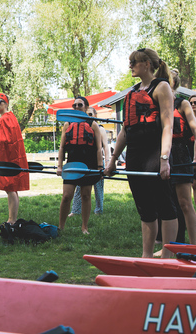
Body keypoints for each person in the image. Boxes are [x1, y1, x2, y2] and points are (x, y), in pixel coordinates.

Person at [105, 49, 178, 259]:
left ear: (146, 64)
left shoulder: (161, 86)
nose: (130, 66)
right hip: (135, 155)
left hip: (156, 152)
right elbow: (125, 131)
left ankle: (167, 256)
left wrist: (164, 159)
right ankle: (146, 256)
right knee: (144, 207)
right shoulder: (132, 92)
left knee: (165, 205)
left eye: (133, 62)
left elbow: (167, 126)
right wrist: (112, 161)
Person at [169, 71, 196, 245]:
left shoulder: (182, 104)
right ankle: (171, 245)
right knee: (168, 204)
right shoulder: (156, 104)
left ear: (174, 84)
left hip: (179, 154)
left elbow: (195, 130)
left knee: (184, 202)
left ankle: (194, 246)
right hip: (162, 155)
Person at [57, 97, 104, 234]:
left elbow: (98, 148)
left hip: (88, 164)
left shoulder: (92, 124)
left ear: (86, 107)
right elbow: (61, 148)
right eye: (74, 105)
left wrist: (100, 167)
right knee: (66, 196)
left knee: (86, 195)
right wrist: (60, 166)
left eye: (80, 105)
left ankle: (84, 227)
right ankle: (61, 227)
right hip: (72, 163)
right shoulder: (67, 124)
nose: (76, 107)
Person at [0, 93, 29, 225]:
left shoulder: (4, 119)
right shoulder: (11, 117)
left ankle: (11, 220)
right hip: (12, 156)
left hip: (8, 157)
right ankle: (12, 218)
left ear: (6, 103)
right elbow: (7, 138)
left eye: (0, 102)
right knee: (12, 189)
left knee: (10, 188)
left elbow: (6, 140)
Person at [69, 107, 106, 217]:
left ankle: (99, 210)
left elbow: (105, 148)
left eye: (90, 114)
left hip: (97, 162)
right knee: (80, 188)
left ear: (95, 115)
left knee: (98, 188)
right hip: (84, 162)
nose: (88, 116)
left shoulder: (100, 128)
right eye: (87, 114)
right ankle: (75, 210)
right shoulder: (79, 127)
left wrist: (106, 163)